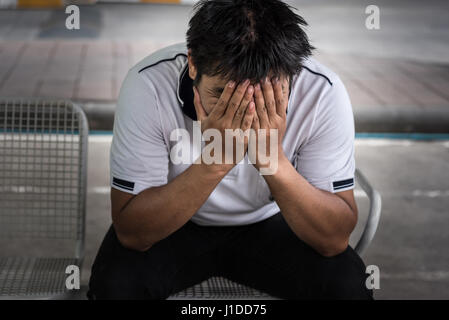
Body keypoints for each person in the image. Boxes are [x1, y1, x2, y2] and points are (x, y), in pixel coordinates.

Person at [87, 0, 373, 300]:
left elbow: (334, 239)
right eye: (222, 96)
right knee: (116, 285)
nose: (244, 114)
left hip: (275, 222)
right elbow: (132, 233)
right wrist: (215, 163)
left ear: (292, 74)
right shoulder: (148, 85)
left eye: (265, 98)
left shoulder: (321, 92)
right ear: (193, 63)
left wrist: (273, 161)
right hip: (178, 224)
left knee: (347, 286)